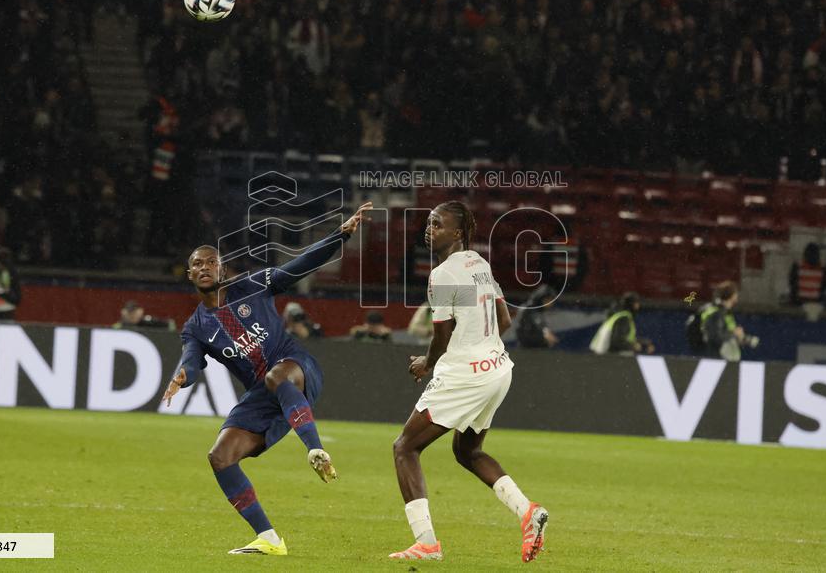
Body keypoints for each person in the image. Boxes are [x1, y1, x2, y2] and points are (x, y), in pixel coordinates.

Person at [161, 202, 372, 556]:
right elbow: (192, 361)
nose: (204, 267)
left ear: (221, 267)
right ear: (189, 275)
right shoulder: (196, 327)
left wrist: (340, 235)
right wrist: (183, 376)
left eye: (210, 261)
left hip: (297, 369)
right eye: (196, 264)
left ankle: (315, 449)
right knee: (220, 456)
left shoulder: (253, 284)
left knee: (277, 376)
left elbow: (299, 265)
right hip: (263, 395)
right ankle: (269, 538)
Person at [389, 200, 548, 563]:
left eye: (437, 223)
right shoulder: (479, 264)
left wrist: (425, 363)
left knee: (405, 448)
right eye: (429, 223)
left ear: (458, 232)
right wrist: (478, 343)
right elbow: (504, 320)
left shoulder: (442, 275)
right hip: (498, 369)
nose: (429, 229)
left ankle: (426, 543)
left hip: (465, 375)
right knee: (467, 452)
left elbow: (441, 337)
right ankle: (528, 513)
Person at [696, 281, 758, 361]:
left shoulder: (726, 313)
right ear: (732, 296)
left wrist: (743, 338)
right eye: (736, 293)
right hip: (717, 360)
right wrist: (734, 333)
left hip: (726, 361)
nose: (737, 296)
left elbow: (726, 335)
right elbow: (716, 337)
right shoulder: (717, 313)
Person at [590, 292, 654, 355]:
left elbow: (626, 338)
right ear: (632, 304)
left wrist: (644, 343)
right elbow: (617, 342)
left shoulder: (618, 316)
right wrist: (633, 346)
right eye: (637, 302)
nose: (638, 305)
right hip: (611, 358)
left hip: (603, 356)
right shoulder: (623, 318)